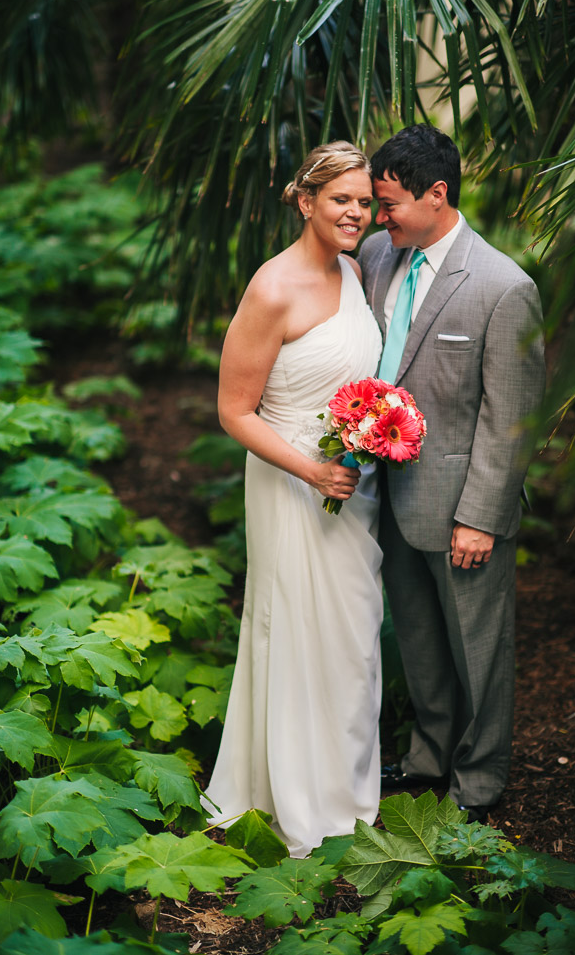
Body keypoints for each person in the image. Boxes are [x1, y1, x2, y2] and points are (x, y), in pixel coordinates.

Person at [202, 142, 384, 857]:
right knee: (297, 631)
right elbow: (234, 411)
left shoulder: (355, 270)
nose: (356, 213)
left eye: (366, 201)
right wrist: (312, 473)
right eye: (342, 199)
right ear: (306, 201)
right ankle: (293, 796)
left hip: (351, 488)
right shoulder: (271, 288)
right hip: (290, 485)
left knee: (353, 638)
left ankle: (345, 787)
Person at [358, 124, 545, 822]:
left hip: (463, 506)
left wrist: (481, 515)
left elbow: (511, 415)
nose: (380, 218)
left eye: (391, 203)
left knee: (478, 648)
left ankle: (479, 779)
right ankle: (429, 756)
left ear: (437, 194)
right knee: (419, 641)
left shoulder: (503, 286)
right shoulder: (381, 256)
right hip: (389, 495)